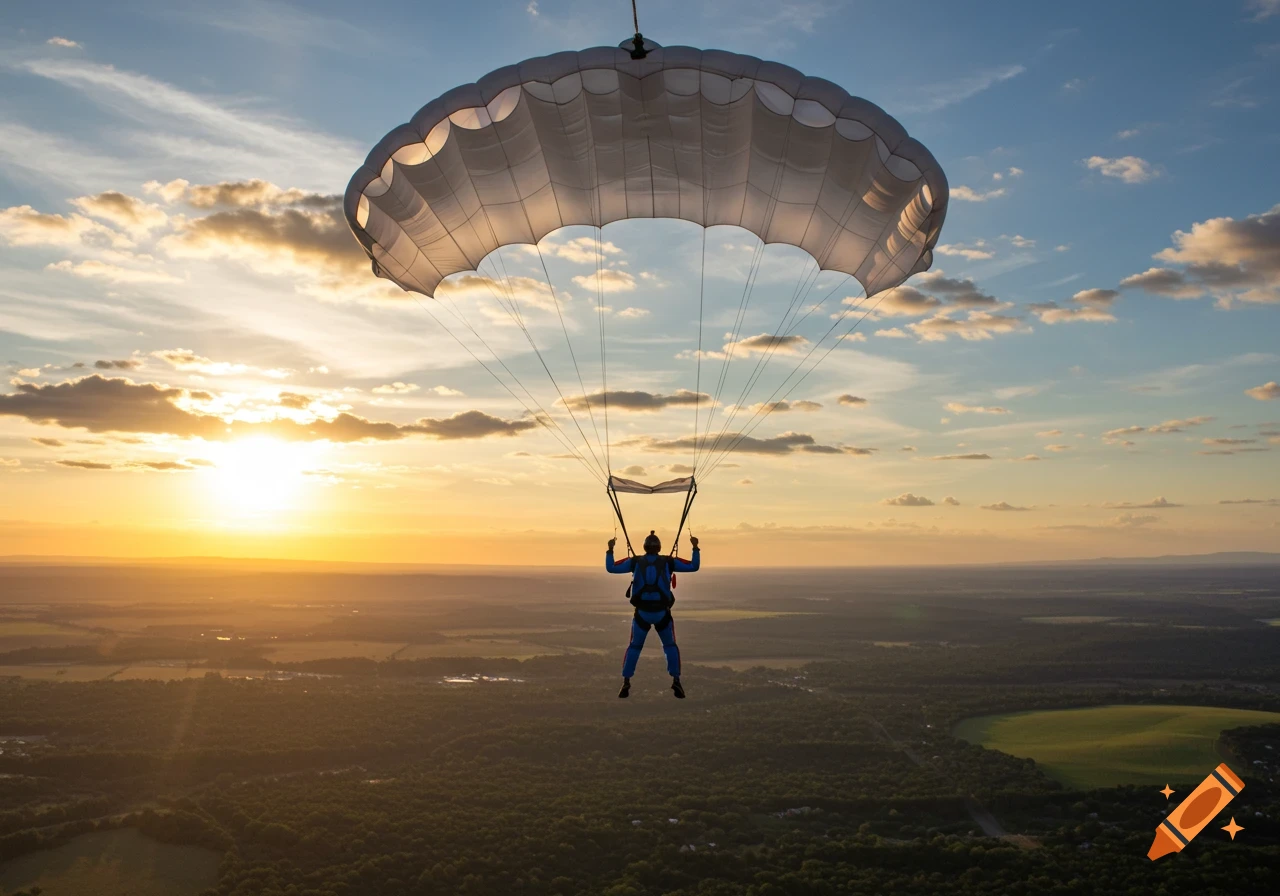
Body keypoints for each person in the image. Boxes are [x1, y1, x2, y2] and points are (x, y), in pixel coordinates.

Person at [606, 530, 700, 699]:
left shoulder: (635, 562)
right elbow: (694, 566)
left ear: (645, 547)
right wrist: (695, 547)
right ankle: (676, 679)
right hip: (662, 613)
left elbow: (611, 568)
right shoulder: (668, 562)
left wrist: (610, 550)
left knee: (634, 646)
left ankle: (626, 681)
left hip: (642, 613)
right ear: (659, 547)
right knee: (670, 646)